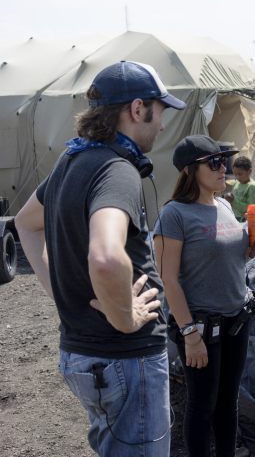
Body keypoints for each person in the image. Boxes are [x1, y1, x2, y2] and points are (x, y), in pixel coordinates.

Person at [14, 60, 187, 457]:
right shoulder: (116, 170)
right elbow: (107, 257)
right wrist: (124, 316)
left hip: (82, 352)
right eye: (159, 112)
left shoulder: (71, 161)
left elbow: (25, 223)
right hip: (124, 357)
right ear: (138, 108)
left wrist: (60, 292)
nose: (162, 125)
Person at [153, 135, 255, 457]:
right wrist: (189, 335)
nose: (225, 169)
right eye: (215, 163)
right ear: (190, 171)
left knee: (228, 402)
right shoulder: (174, 215)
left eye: (225, 162)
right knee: (203, 404)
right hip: (201, 326)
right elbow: (168, 279)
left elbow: (234, 261)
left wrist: (253, 244)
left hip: (236, 318)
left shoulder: (223, 206)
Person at [224, 156, 255, 222]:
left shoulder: (251, 187)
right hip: (234, 218)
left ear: (249, 171)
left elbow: (250, 209)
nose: (237, 177)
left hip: (245, 221)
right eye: (235, 174)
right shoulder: (237, 182)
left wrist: (233, 201)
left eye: (240, 174)